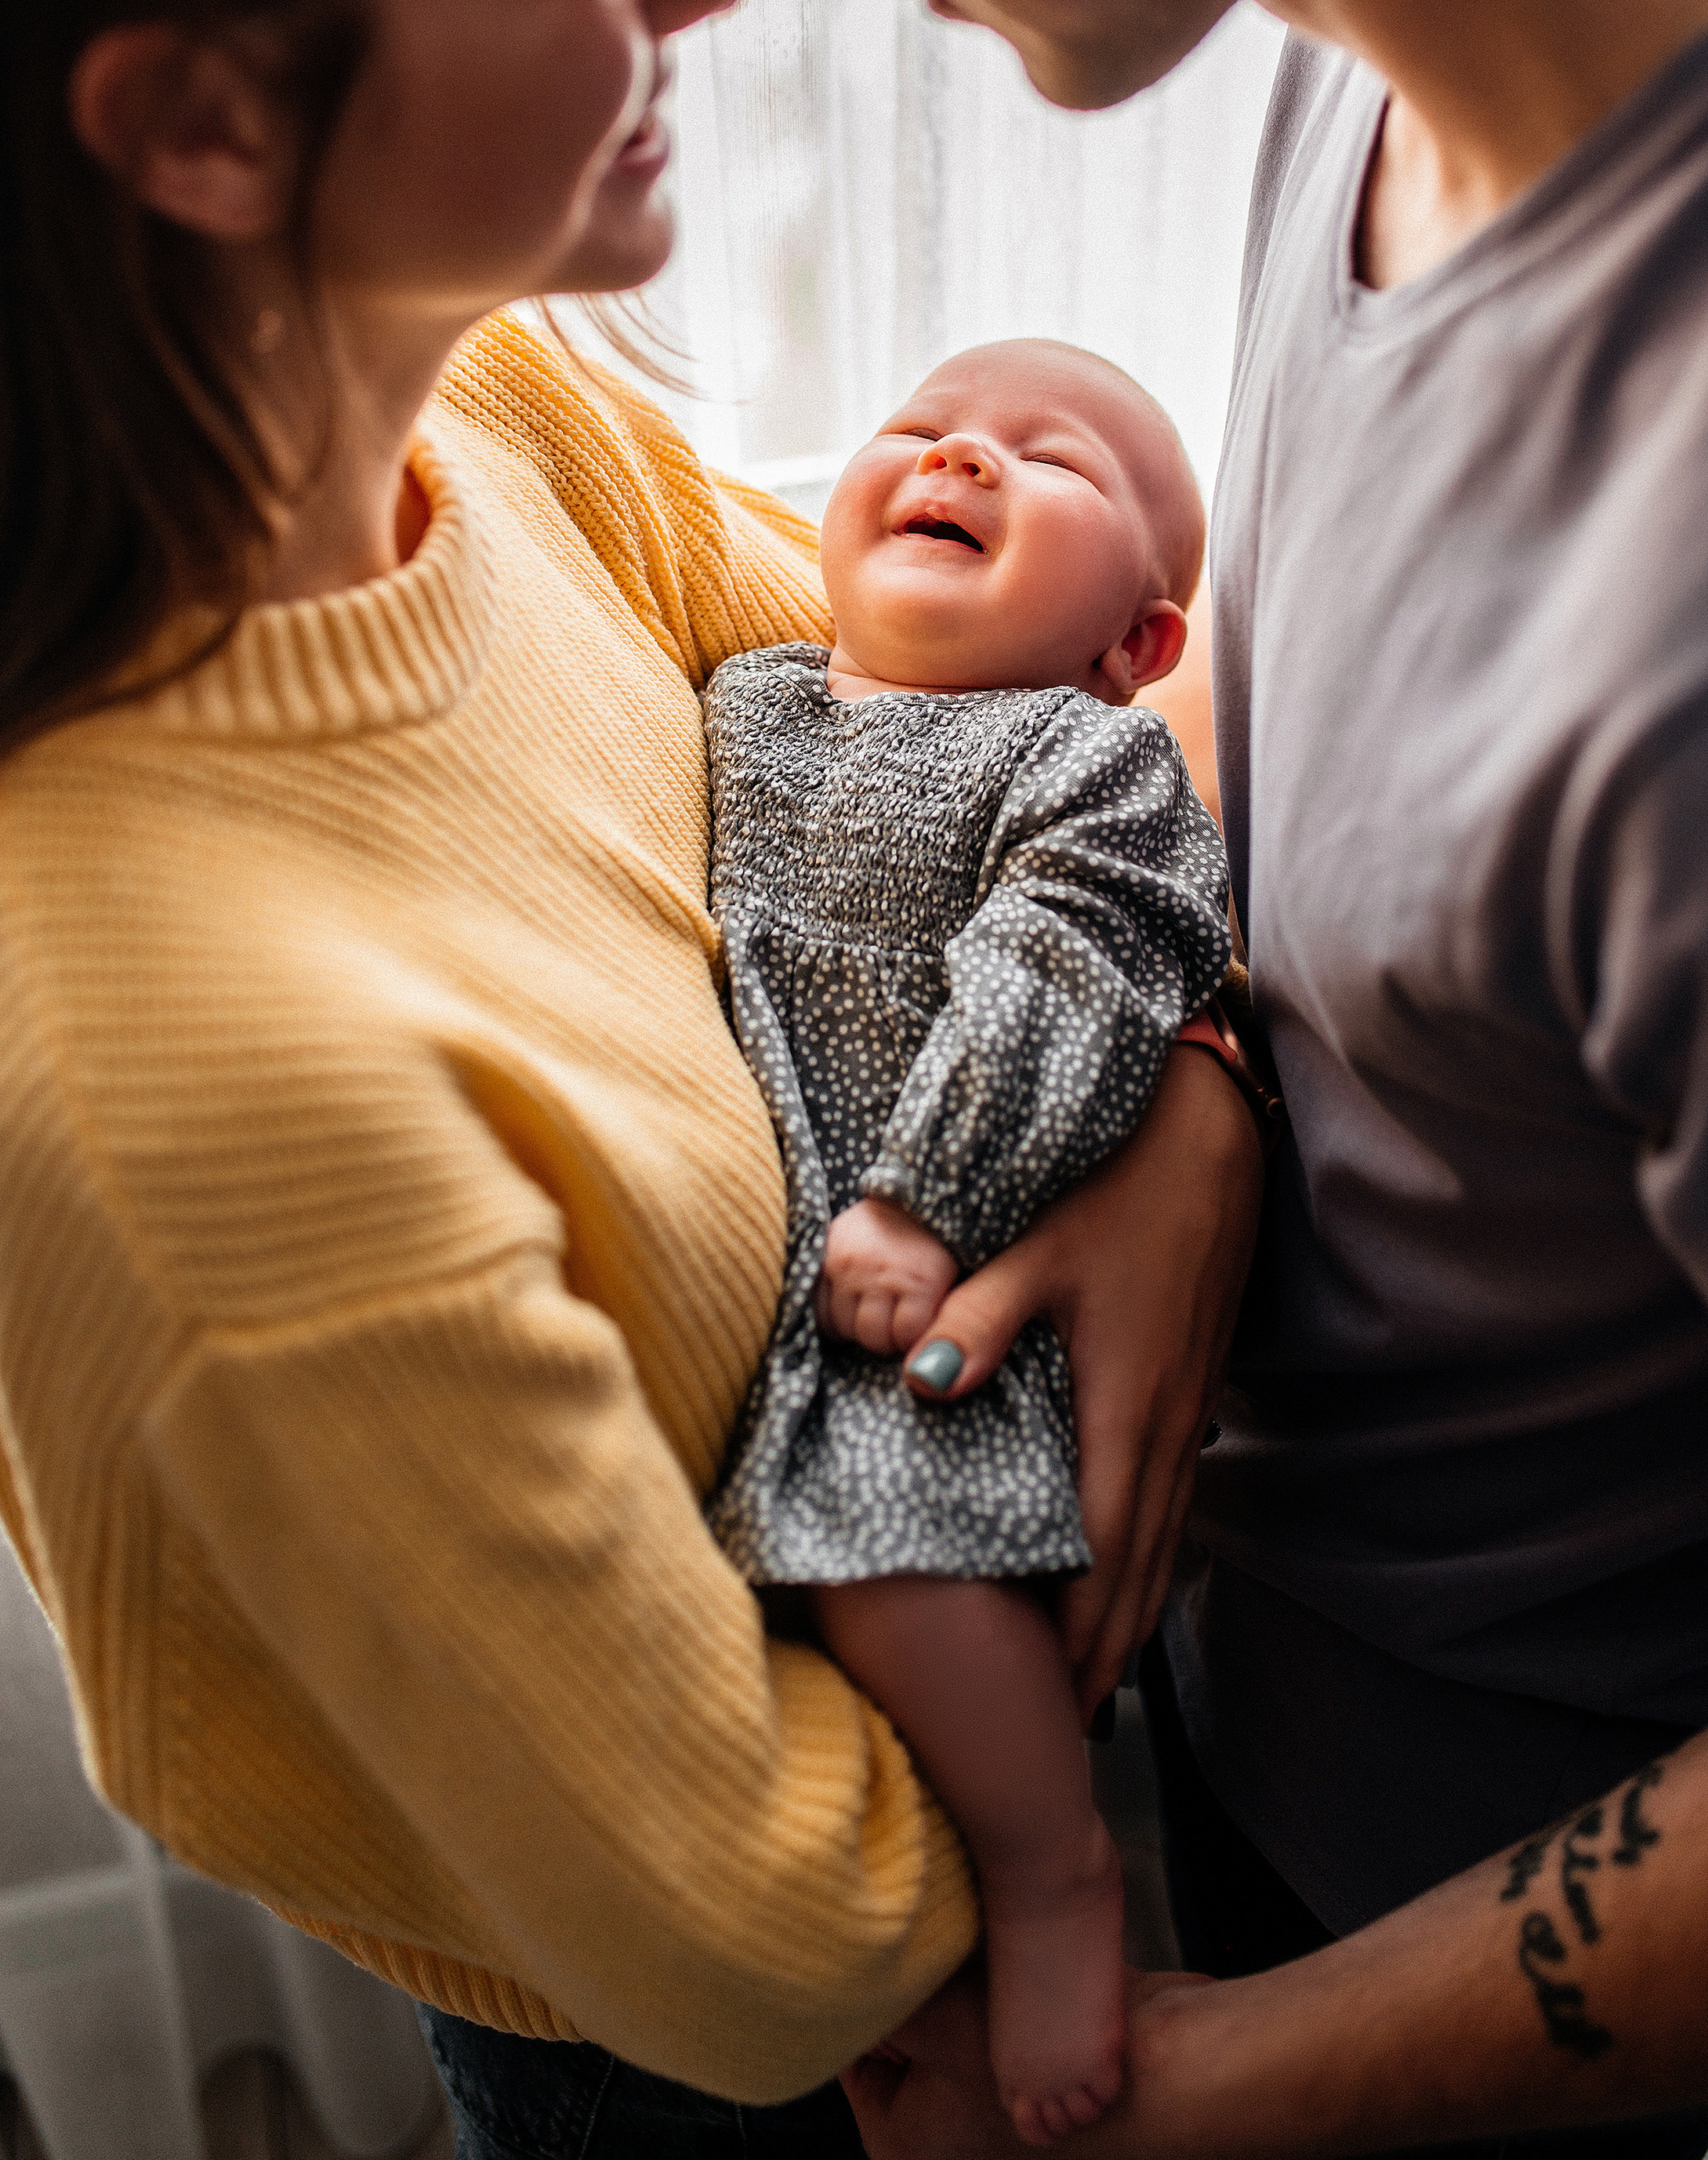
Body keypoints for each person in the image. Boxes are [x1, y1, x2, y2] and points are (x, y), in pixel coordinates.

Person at [485, 0, 1708, 2152]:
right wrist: (1204, 1083)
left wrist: (1219, 2096)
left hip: (1453, 1894)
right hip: (1207, 1655)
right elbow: (1368, 619)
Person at [0, 0, 1268, 2160]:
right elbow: (760, 1931)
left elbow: (1005, 753)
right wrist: (1051, 1621)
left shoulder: (477, 409)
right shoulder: (202, 1096)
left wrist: (1190, 1097)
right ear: (193, 124)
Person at [704, 338, 1231, 2145]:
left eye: (1044, 458)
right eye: (919, 433)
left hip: (938, 1260)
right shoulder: (742, 699)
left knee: (885, 1562)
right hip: (758, 1252)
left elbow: (1077, 964)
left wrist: (926, 1193)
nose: (961, 461)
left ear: (1136, 646)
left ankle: (1055, 1871)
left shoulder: (1085, 762)